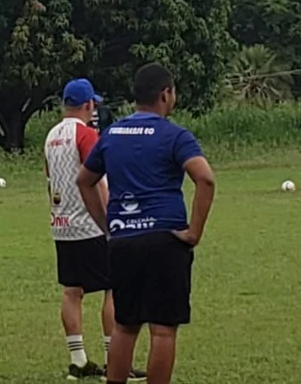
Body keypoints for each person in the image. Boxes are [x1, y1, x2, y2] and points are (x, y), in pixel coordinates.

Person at [77, 63, 217, 384]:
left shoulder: (112, 134)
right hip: (165, 240)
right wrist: (194, 232)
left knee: (125, 325)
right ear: (166, 94)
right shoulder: (174, 135)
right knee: (163, 330)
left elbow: (85, 180)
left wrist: (108, 225)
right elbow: (205, 180)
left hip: (123, 242)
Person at [45, 79, 146, 381]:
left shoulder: (50, 136)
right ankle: (115, 362)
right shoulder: (86, 134)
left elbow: (49, 179)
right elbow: (96, 178)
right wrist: (110, 219)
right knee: (112, 288)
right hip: (90, 223)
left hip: (62, 224)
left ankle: (78, 360)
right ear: (88, 104)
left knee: (72, 291)